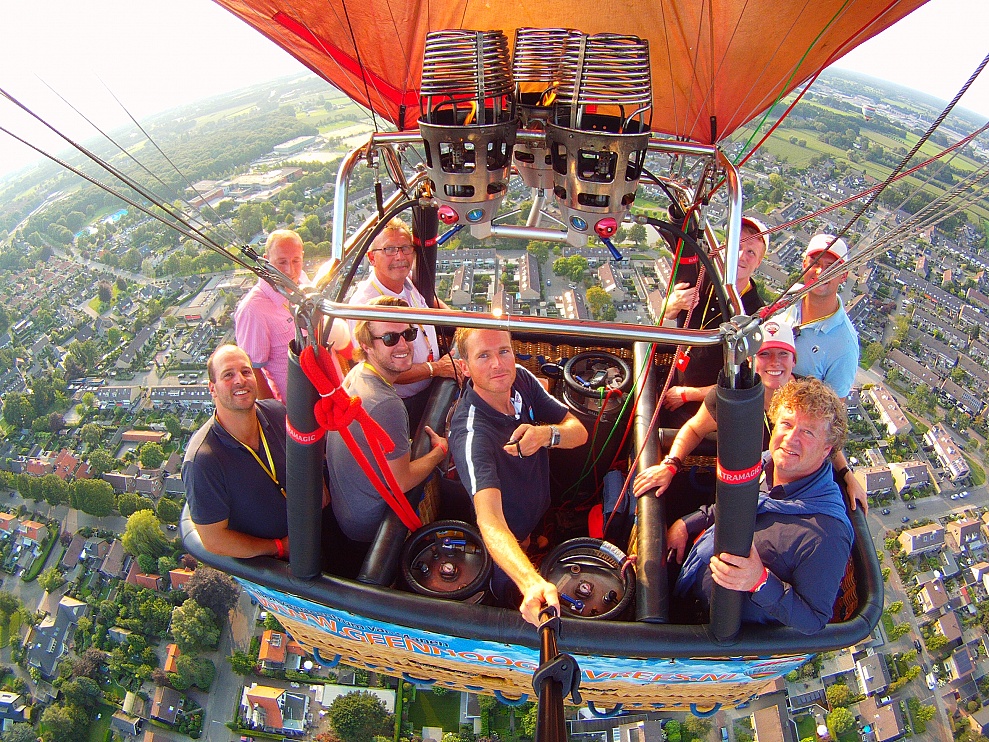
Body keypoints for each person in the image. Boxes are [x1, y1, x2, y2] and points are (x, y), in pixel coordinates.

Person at [669, 378, 854, 634]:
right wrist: (687, 524)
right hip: (688, 589)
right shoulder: (764, 465)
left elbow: (813, 620)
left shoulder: (827, 533)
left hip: (718, 635)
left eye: (808, 432)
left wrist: (760, 581)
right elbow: (731, 507)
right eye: (786, 424)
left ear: (826, 450)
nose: (791, 438)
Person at [634, 321, 867, 511]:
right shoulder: (733, 395)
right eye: (764, 354)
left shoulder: (810, 398)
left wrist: (847, 474)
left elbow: (827, 438)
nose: (775, 362)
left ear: (794, 360)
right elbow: (694, 429)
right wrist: (670, 465)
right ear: (750, 359)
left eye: (783, 354)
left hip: (790, 497)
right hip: (737, 493)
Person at [448, 328, 588, 626]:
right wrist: (529, 582)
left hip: (534, 511)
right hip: (505, 537)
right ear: (464, 367)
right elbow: (489, 520)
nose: (498, 364)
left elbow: (579, 432)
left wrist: (546, 435)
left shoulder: (520, 379)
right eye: (483, 356)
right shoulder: (472, 434)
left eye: (504, 351)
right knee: (503, 589)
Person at [325, 297, 450, 568]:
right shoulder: (386, 404)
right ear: (366, 345)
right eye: (390, 338)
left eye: (408, 334)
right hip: (371, 528)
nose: (403, 345)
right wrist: (439, 452)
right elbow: (401, 482)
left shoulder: (358, 374)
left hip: (347, 512)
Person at [183, 344, 290, 558]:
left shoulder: (277, 413)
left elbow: (306, 455)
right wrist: (278, 547)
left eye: (246, 371)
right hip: (271, 564)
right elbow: (214, 539)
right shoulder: (203, 461)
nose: (240, 380)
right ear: (212, 388)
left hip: (311, 532)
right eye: (228, 375)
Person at [349, 219, 458, 428]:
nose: (399, 257)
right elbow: (383, 367)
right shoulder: (364, 306)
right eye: (389, 249)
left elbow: (429, 302)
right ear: (372, 258)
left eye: (405, 248)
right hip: (404, 404)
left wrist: (461, 321)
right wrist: (436, 368)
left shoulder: (405, 281)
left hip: (432, 386)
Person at [662, 216, 769, 425]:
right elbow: (667, 313)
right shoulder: (702, 275)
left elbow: (744, 382)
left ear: (758, 263)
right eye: (737, 247)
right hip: (672, 382)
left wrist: (687, 394)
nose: (741, 256)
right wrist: (673, 303)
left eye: (751, 252)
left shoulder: (756, 314)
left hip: (705, 412)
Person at [781, 234, 859, 399]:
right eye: (815, 262)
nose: (820, 272)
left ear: (843, 275)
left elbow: (833, 409)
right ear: (804, 264)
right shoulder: (787, 299)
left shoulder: (845, 347)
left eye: (831, 267)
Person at [234, 230, 308, 402]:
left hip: (326, 390)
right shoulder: (253, 309)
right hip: (297, 405)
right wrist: (274, 412)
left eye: (296, 261)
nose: (290, 270)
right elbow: (252, 370)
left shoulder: (303, 281)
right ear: (266, 261)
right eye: (281, 262)